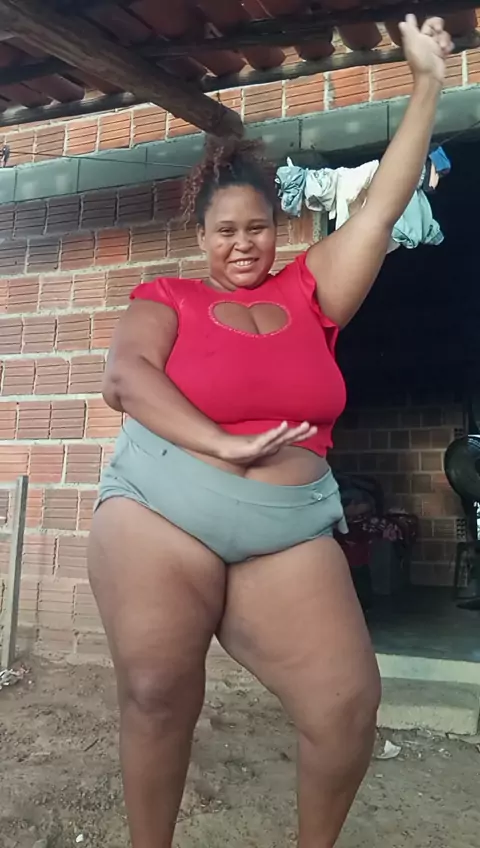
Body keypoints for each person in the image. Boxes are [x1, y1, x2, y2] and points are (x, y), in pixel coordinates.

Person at [88, 16, 452, 848]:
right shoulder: (167, 298)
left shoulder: (308, 293)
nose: (243, 244)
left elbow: (380, 209)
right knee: (157, 691)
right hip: (160, 512)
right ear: (202, 238)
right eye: (226, 231)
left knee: (346, 706)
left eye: (256, 227)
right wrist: (217, 443)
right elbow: (126, 378)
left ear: (277, 229)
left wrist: (426, 84)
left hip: (286, 529)